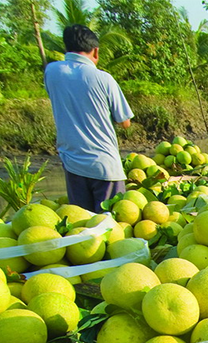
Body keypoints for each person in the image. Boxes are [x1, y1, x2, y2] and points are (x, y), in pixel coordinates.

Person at [43, 24, 133, 213]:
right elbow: (124, 122)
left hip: (73, 163)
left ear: (66, 48)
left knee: (82, 226)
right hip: (104, 165)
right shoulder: (103, 78)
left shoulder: (52, 72)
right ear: (96, 51)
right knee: (111, 229)